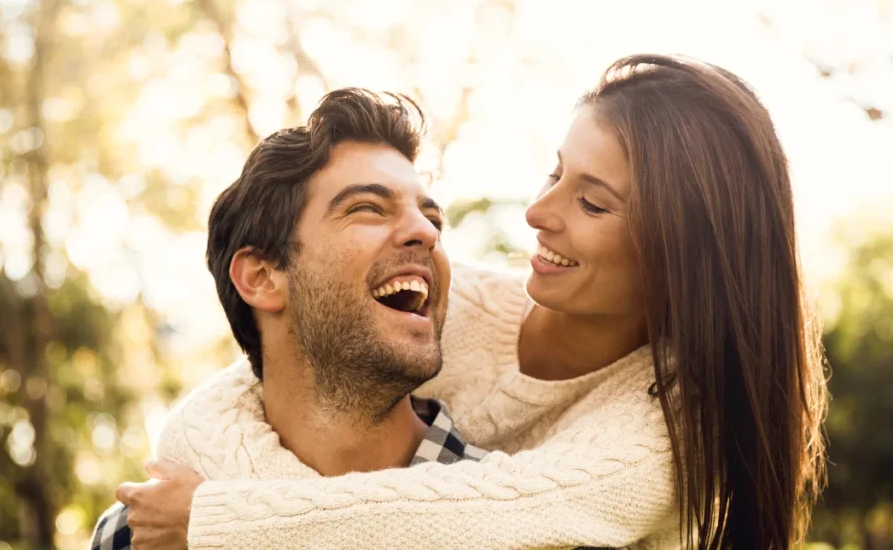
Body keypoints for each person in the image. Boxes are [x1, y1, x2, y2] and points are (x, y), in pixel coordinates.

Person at [117, 55, 829, 549]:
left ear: (677, 262)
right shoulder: (449, 302)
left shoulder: (665, 432)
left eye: (592, 201)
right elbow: (244, 390)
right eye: (557, 172)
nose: (537, 211)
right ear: (260, 276)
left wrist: (222, 523)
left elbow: (484, 514)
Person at [92, 88, 490, 550]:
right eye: (368, 208)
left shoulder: (537, 525)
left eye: (432, 219)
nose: (426, 232)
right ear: (261, 278)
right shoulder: (138, 536)